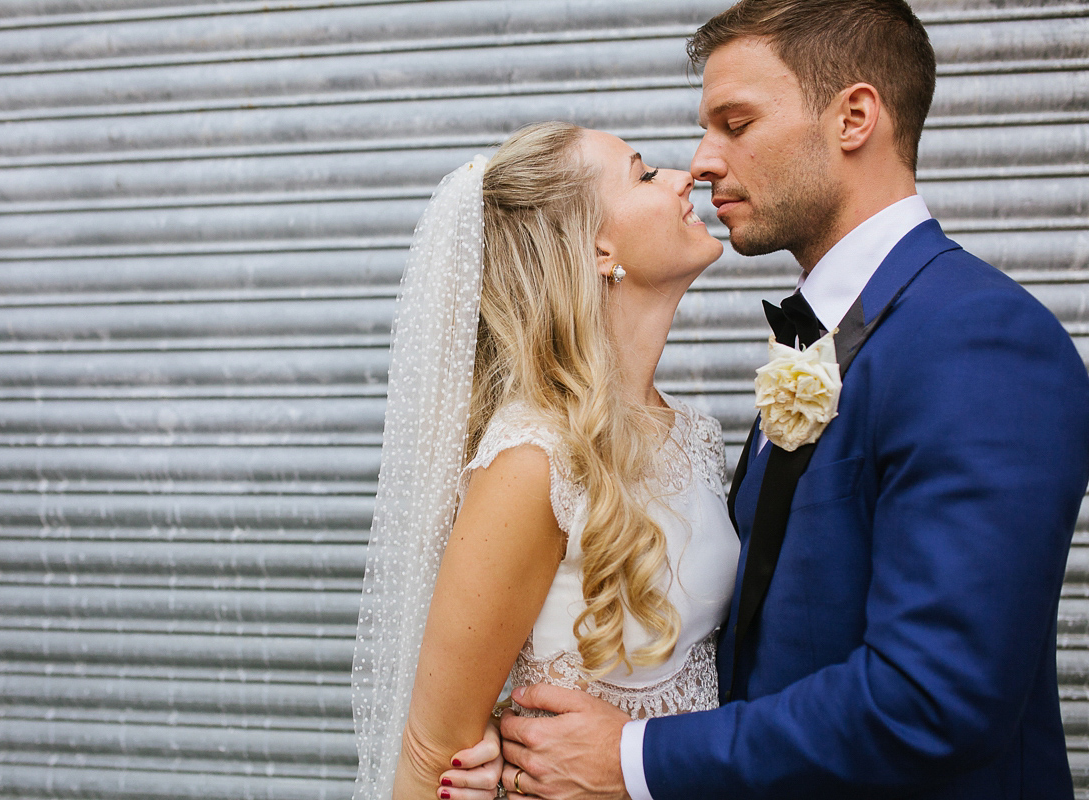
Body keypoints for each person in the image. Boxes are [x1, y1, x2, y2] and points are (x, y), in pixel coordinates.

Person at [450, 1, 1089, 798]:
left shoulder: (977, 339)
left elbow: (935, 696)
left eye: (736, 122)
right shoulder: (819, 340)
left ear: (854, 117)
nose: (703, 161)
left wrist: (633, 758)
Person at [351, 121, 741, 800]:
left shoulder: (695, 433)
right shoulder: (535, 458)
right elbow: (431, 754)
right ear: (597, 247)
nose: (688, 178)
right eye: (645, 175)